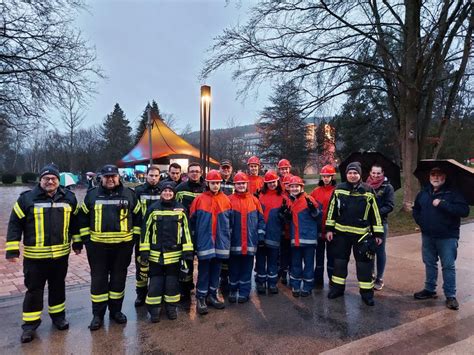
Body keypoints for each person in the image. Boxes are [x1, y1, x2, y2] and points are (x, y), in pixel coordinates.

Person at [6, 164, 78, 343]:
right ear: (41, 180)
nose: (50, 181)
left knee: (58, 287)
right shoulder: (27, 199)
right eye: (46, 178)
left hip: (60, 255)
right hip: (35, 257)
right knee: (34, 290)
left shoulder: (69, 197)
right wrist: (12, 249)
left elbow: (75, 223)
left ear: (58, 180)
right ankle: (30, 326)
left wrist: (78, 242)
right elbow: (15, 223)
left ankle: (58, 318)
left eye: (53, 178)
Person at [75, 164, 141, 330]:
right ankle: (97, 315)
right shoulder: (91, 195)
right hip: (98, 248)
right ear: (101, 178)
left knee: (118, 281)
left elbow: (138, 218)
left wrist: (133, 239)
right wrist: (87, 241)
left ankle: (116, 312)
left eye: (113, 176)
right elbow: (82, 219)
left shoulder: (129, 194)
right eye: (107, 177)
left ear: (118, 177)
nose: (110, 179)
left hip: (122, 248)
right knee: (99, 282)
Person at [325, 162, 384, 306]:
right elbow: (331, 210)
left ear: (360, 175)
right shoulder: (339, 189)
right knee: (339, 263)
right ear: (346, 175)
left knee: (364, 266)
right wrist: (329, 229)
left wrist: (378, 234)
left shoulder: (368, 190)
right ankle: (337, 289)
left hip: (362, 236)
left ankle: (366, 294)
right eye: (350, 173)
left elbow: (375, 213)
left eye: (355, 173)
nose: (352, 175)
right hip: (341, 234)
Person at [412, 166, 469, 310]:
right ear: (429, 176)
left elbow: (464, 211)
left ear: (445, 177)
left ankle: (450, 296)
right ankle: (429, 289)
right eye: (433, 174)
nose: (435, 177)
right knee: (429, 263)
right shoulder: (424, 192)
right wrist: (421, 222)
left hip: (447, 236)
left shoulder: (453, 193)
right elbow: (416, 209)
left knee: (448, 266)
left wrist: (443, 204)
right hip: (428, 235)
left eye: (439, 175)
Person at [139, 181, 194, 322]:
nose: (167, 193)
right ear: (161, 193)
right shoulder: (153, 209)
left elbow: (186, 232)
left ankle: (171, 308)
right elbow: (146, 231)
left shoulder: (181, 210)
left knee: (172, 282)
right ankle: (154, 310)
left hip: (174, 255)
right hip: (156, 255)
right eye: (165, 191)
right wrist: (144, 250)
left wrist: (187, 251)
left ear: (174, 194)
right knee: (156, 282)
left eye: (170, 191)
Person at [189, 170, 232, 315]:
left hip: (220, 242)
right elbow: (192, 224)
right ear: (207, 183)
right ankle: (201, 297)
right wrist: (194, 243)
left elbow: (230, 223)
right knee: (204, 271)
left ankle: (212, 295)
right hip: (205, 242)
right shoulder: (199, 200)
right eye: (213, 183)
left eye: (218, 183)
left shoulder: (226, 200)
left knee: (216, 271)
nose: (215, 186)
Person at [228, 172, 265, 303]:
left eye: (243, 183)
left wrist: (260, 236)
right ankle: (233, 290)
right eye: (238, 184)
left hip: (250, 242)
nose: (241, 186)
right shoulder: (229, 200)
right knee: (233, 268)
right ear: (235, 185)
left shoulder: (255, 200)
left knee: (246, 269)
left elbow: (261, 220)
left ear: (247, 184)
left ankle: (244, 292)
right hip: (234, 242)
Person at [284, 176, 321, 297]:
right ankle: (295, 285)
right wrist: (285, 216)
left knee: (309, 264)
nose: (294, 188)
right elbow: (289, 220)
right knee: (295, 264)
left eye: (296, 186)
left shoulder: (309, 199)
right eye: (292, 186)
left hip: (309, 240)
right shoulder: (289, 201)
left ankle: (307, 287)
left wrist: (314, 210)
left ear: (301, 187)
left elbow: (318, 217)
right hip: (296, 240)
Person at [175, 162, 206, 306]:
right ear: (187, 173)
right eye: (192, 171)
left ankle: (202, 287)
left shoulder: (206, 187)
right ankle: (185, 289)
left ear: (201, 172)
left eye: (197, 171)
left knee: (204, 259)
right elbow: (175, 207)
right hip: (186, 230)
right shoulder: (180, 189)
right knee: (186, 259)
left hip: (203, 229)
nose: (195, 173)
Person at [133, 165, 162, 307]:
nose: (154, 178)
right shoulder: (138, 191)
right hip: (143, 235)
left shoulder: (164, 190)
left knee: (157, 265)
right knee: (141, 265)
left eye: (156, 175)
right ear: (146, 175)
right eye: (151, 175)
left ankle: (156, 292)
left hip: (159, 235)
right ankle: (141, 293)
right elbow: (135, 214)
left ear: (160, 176)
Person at [256, 170, 287, 294]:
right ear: (265, 183)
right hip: (261, 233)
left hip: (275, 233)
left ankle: (272, 283)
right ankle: (261, 283)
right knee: (261, 260)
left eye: (273, 182)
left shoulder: (283, 197)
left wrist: (284, 217)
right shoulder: (260, 197)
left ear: (277, 182)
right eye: (269, 183)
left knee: (273, 260)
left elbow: (287, 218)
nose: (272, 184)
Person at [366, 164, 394, 291]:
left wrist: (375, 212)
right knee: (369, 250)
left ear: (382, 174)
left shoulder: (387, 187)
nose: (375, 175)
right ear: (370, 173)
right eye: (373, 173)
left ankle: (379, 278)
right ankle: (370, 274)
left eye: (378, 173)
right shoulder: (364, 186)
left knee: (379, 250)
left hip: (381, 223)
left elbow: (390, 206)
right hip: (367, 224)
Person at [310, 165, 337, 288]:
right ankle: (318, 280)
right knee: (319, 256)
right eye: (324, 176)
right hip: (318, 229)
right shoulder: (316, 191)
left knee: (332, 256)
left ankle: (332, 279)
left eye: (328, 176)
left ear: (332, 176)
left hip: (332, 230)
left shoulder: (336, 191)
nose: (326, 178)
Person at [218, 159, 234, 293]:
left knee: (229, 251)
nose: (226, 170)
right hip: (218, 220)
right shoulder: (215, 181)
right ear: (220, 169)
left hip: (230, 219)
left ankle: (226, 277)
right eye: (224, 168)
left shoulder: (235, 183)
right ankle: (221, 276)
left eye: (228, 168)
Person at [279, 173, 294, 284]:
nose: (288, 186)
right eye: (286, 184)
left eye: (290, 184)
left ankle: (292, 272)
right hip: (284, 231)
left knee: (293, 254)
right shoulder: (282, 197)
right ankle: (283, 273)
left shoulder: (297, 196)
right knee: (284, 253)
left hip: (294, 231)